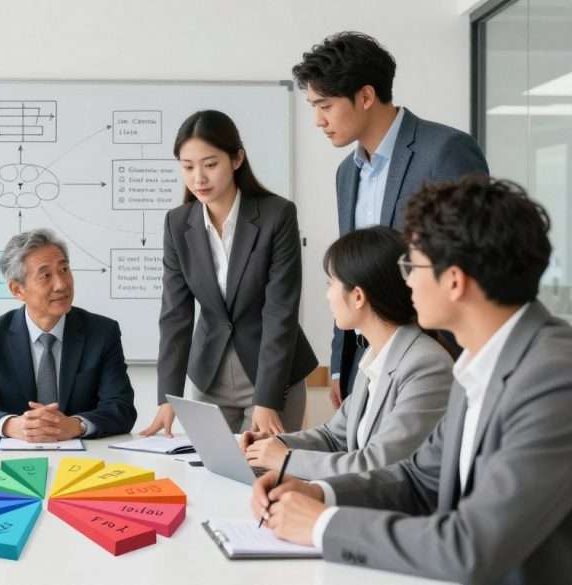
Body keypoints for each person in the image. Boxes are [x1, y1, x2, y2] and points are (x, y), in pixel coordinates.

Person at [251, 177, 572, 585]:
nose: (405, 282)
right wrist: (320, 493)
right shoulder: (477, 360)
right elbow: (420, 479)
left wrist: (322, 524)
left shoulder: (553, 378)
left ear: (454, 281)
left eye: (412, 266)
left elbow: (471, 547)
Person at [292, 31, 489, 406]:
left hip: (434, 360)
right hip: (364, 364)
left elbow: (474, 262)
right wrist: (340, 364)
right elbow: (349, 271)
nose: (318, 120)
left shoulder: (445, 151)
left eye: (325, 105)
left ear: (365, 96)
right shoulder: (346, 174)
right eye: (312, 106)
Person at [141, 110, 317, 438]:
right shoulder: (177, 224)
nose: (198, 179)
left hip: (273, 376)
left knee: (263, 477)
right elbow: (175, 315)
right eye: (188, 166)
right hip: (209, 378)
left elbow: (281, 311)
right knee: (209, 476)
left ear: (237, 159)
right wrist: (168, 398)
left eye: (210, 164)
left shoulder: (277, 215)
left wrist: (267, 398)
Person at [240, 226, 452, 478]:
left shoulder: (426, 365)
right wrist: (276, 445)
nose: (328, 296)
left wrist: (285, 459)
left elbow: (378, 465)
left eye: (331, 284)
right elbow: (334, 437)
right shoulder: (374, 356)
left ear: (358, 296)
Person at [0, 229, 137, 441]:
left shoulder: (102, 332)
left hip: (85, 459)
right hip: (13, 460)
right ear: (17, 290)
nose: (61, 284)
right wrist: (12, 426)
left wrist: (76, 425)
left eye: (64, 270)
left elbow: (121, 409)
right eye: (46, 276)